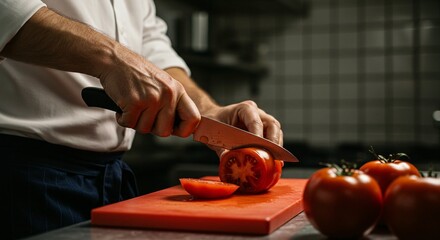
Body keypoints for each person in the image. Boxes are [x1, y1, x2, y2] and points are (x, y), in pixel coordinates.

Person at [0, 1, 283, 239]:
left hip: (112, 180)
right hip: (22, 177)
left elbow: (152, 46)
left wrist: (209, 111)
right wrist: (113, 59)